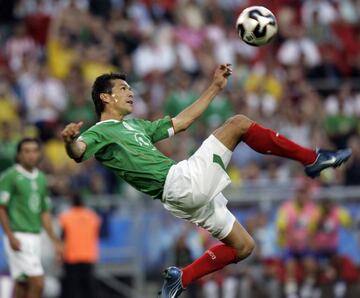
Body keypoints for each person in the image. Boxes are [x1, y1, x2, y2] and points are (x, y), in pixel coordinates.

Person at [61, 64, 351, 298]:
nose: (131, 92)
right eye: (123, 88)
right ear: (105, 97)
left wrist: (214, 88)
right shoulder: (101, 131)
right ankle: (312, 159)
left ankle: (181, 278)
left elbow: (182, 122)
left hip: (180, 198)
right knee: (238, 123)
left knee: (244, 247)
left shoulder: (135, 125)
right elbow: (78, 152)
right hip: (180, 182)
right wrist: (71, 141)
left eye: (130, 87)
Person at [0, 137, 63, 298]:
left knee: (22, 284)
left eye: (34, 151)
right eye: (26, 151)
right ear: (19, 155)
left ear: (40, 154)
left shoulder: (41, 178)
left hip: (36, 237)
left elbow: (44, 212)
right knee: (38, 282)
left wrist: (55, 241)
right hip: (18, 236)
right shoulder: (11, 176)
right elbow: (1, 207)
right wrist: (10, 236)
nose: (31, 155)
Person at [276, 180, 318, 298]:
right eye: (300, 192)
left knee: (311, 266)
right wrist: (291, 239)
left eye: (304, 192)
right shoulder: (286, 208)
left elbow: (313, 231)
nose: (302, 195)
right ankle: (292, 293)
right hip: (290, 245)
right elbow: (281, 229)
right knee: (290, 266)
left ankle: (307, 289)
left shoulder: (313, 209)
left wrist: (310, 242)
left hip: (305, 246)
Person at [58, 193, 101, 298]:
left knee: (72, 289)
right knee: (88, 288)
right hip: (88, 256)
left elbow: (62, 237)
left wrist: (59, 255)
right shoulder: (92, 217)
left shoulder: (65, 217)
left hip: (71, 257)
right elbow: (97, 234)